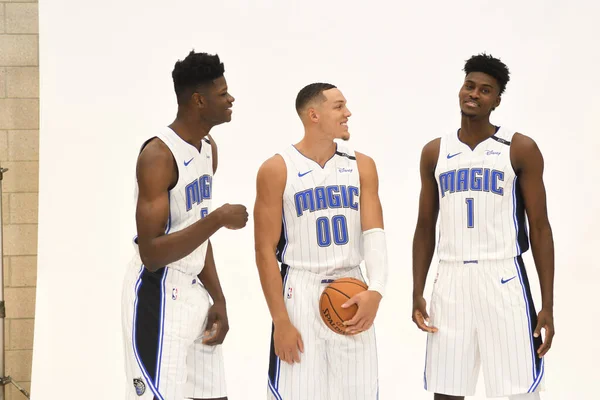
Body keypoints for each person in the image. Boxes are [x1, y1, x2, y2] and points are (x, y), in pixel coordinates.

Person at [411, 53, 555, 400]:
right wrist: (418, 288)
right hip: (451, 278)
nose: (474, 94)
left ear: (497, 100)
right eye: (469, 85)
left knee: (517, 391)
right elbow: (425, 225)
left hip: (502, 275)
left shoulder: (519, 148)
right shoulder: (435, 151)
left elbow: (539, 227)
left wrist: (547, 303)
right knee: (447, 389)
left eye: (485, 90)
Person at [121, 50, 248, 400]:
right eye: (222, 94)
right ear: (198, 101)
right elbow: (151, 253)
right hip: (158, 293)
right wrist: (219, 219)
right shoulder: (158, 157)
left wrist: (218, 297)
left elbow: (195, 230)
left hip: (194, 292)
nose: (230, 99)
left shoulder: (209, 149)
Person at [253, 83, 389, 399]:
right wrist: (280, 321)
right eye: (339, 106)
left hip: (351, 287)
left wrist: (377, 290)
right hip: (299, 290)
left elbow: (375, 233)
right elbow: (264, 250)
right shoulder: (276, 169)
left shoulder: (362, 164)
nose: (348, 113)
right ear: (314, 115)